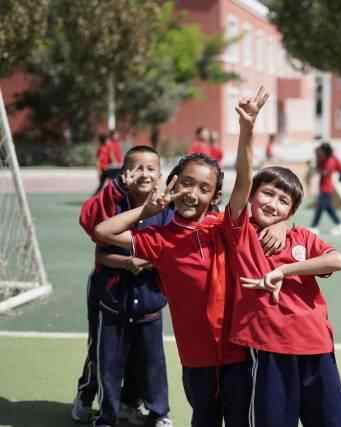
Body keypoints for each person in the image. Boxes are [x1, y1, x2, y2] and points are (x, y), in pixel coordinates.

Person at [95, 89, 286, 427]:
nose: (192, 193)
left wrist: (247, 129)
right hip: (197, 359)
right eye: (186, 183)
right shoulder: (160, 239)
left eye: (203, 188)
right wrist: (146, 210)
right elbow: (103, 232)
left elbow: (245, 183)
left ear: (214, 196)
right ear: (172, 183)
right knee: (204, 418)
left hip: (239, 353)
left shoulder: (224, 227)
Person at [223, 86, 341, 427]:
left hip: (317, 345)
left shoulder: (301, 236)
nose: (273, 204)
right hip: (269, 347)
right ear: (251, 197)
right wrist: (248, 129)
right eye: (267, 194)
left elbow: (337, 261)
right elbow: (244, 176)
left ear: (291, 211)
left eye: (283, 201)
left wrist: (286, 270)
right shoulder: (240, 231)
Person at [83, 146, 173, 427]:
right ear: (124, 174)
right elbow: (92, 230)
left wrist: (149, 260)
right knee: (104, 359)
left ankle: (157, 412)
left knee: (151, 362)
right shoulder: (114, 205)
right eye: (137, 168)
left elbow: (174, 251)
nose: (144, 173)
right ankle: (99, 409)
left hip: (149, 300)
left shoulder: (168, 211)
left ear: (160, 175)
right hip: (111, 298)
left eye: (151, 168)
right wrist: (125, 262)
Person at [310, 142, 341, 235]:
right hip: (324, 188)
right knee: (329, 209)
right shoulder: (326, 158)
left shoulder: (329, 161)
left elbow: (324, 172)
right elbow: (340, 167)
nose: (319, 153)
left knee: (320, 208)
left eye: (321, 151)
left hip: (326, 189)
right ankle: (340, 225)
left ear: (325, 152)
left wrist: (314, 166)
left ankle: (314, 227)